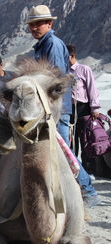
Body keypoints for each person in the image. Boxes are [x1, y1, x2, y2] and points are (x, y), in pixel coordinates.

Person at [27, 4, 101, 206]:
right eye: (32, 24)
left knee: (63, 154)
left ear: (49, 23)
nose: (34, 28)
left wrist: (50, 110)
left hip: (56, 110)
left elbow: (54, 80)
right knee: (57, 153)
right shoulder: (43, 44)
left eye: (39, 23)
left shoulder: (51, 44)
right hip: (50, 109)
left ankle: (87, 190)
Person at [67, 44, 101, 173]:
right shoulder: (63, 72)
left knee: (86, 139)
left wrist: (94, 108)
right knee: (71, 139)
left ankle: (89, 169)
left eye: (66, 57)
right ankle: (73, 168)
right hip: (69, 109)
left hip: (83, 109)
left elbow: (92, 88)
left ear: (73, 56)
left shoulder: (84, 69)